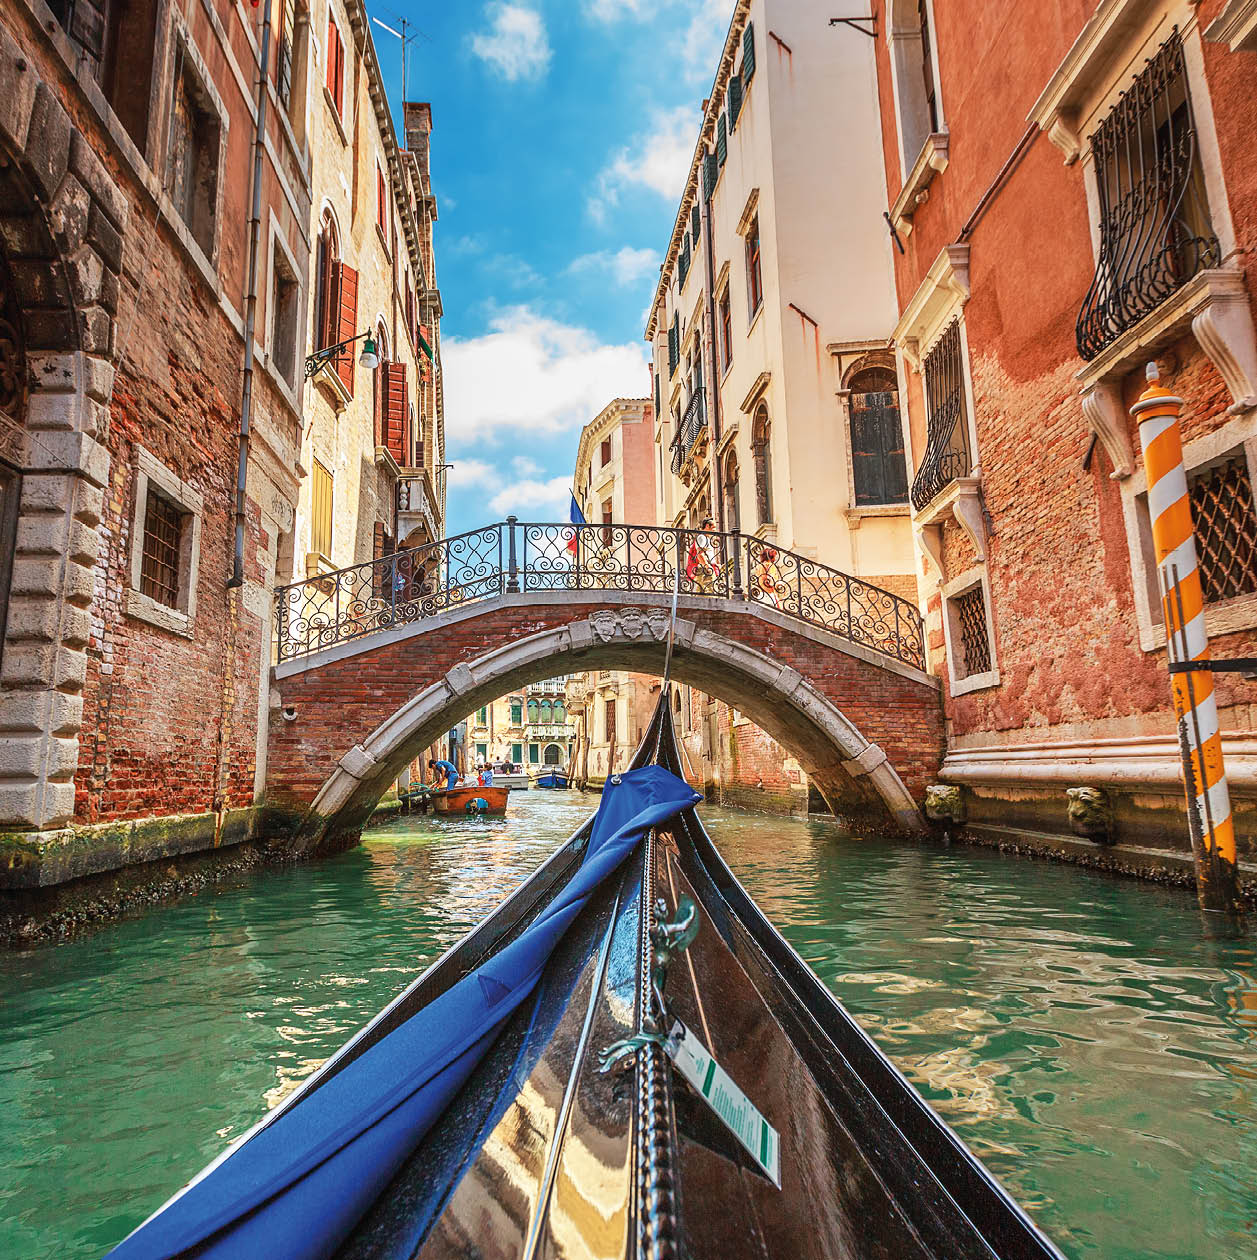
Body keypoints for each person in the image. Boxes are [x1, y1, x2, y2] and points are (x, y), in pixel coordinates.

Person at [686, 516, 724, 593]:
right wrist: (707, 566)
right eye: (713, 527)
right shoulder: (702, 537)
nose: (715, 530)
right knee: (708, 592)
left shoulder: (706, 538)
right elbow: (700, 554)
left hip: (706, 568)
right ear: (707, 526)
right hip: (705, 569)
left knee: (705, 591)